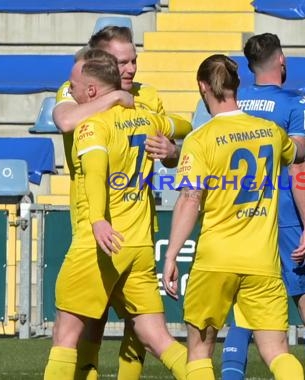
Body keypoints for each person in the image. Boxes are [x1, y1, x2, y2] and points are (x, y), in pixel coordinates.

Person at [43, 49, 191, 380]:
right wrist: (167, 137)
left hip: (102, 243)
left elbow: (95, 173)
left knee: (66, 337)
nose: (71, 91)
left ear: (92, 91)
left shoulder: (92, 125)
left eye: (75, 86)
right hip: (139, 246)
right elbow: (185, 124)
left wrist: (97, 220)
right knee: (158, 338)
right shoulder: (147, 117)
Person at [162, 54, 305, 380]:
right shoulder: (269, 131)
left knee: (199, 351)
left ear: (202, 87)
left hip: (216, 259)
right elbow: (298, 152)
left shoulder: (200, 139)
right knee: (277, 351)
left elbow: (190, 198)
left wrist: (171, 253)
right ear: (237, 84)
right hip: (262, 262)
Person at [221, 33, 305, 380]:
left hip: (244, 220)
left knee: (243, 311)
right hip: (286, 217)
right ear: (282, 60)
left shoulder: (235, 102)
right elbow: (297, 163)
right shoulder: (294, 104)